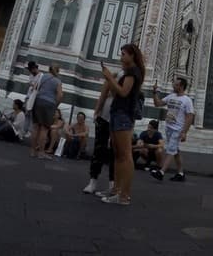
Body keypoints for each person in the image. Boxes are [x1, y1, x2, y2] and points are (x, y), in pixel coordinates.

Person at [100, 43, 145, 205]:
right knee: (118, 154)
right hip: (117, 112)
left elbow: (123, 92)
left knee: (125, 155)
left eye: (124, 54)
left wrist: (110, 77)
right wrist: (110, 80)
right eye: (121, 53)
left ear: (132, 56)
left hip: (124, 115)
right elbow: (117, 92)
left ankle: (124, 195)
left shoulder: (133, 72)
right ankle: (116, 190)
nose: (121, 56)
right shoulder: (128, 72)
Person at [150, 76, 194, 183]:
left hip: (178, 129)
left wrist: (184, 132)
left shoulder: (187, 100)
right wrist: (154, 93)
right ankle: (180, 173)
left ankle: (161, 172)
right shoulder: (171, 96)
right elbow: (158, 104)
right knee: (175, 151)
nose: (174, 85)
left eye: (176, 84)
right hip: (168, 127)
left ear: (181, 86)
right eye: (174, 84)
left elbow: (190, 116)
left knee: (170, 149)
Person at [83, 69, 117, 196]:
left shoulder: (132, 76)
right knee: (99, 149)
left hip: (119, 120)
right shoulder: (115, 74)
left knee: (115, 152)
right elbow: (103, 94)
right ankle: (92, 182)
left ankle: (112, 185)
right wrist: (97, 111)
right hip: (104, 116)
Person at [30, 64, 63, 159]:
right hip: (49, 104)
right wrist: (55, 105)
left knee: (36, 127)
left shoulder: (41, 76)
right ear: (57, 71)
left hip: (38, 101)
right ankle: (41, 152)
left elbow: (34, 87)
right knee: (44, 129)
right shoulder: (58, 81)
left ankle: (32, 151)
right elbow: (60, 95)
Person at [23, 61, 42, 138]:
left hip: (35, 97)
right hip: (29, 96)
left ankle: (30, 131)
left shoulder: (41, 76)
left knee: (32, 115)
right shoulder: (31, 75)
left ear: (34, 68)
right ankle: (24, 130)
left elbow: (38, 87)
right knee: (27, 113)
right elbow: (31, 85)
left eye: (30, 69)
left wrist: (33, 86)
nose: (30, 71)